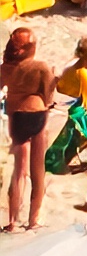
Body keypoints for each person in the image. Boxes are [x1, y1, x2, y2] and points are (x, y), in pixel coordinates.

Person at [3, 27, 57, 231]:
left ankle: (12, 221)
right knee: (38, 171)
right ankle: (34, 219)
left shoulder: (5, 69)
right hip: (38, 114)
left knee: (19, 171)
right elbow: (48, 95)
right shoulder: (41, 67)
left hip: (17, 117)